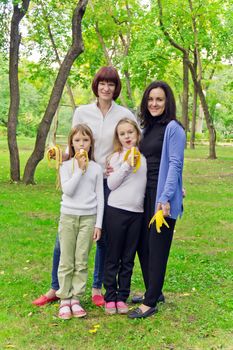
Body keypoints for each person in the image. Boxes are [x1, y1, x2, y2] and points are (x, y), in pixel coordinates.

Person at [32, 66, 136, 307]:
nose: (106, 88)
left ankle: (96, 287)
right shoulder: (82, 111)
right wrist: (61, 157)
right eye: (102, 83)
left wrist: (116, 161)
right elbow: (74, 141)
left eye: (111, 84)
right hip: (81, 175)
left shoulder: (124, 113)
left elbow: (129, 141)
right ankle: (56, 288)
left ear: (116, 87)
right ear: (96, 85)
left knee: (101, 236)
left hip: (108, 182)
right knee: (64, 239)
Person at [128, 81, 186, 319]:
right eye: (150, 99)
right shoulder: (147, 127)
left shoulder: (174, 128)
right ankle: (155, 290)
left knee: (158, 248)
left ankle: (150, 302)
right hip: (144, 193)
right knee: (144, 245)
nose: (154, 103)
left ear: (167, 102)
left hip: (162, 199)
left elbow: (175, 164)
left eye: (159, 99)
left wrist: (166, 196)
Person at [55, 124, 104, 319]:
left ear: (91, 143)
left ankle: (76, 298)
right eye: (77, 140)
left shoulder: (97, 168)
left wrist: (98, 224)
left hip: (88, 218)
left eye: (85, 140)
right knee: (66, 260)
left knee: (81, 260)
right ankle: (64, 299)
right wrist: (79, 170)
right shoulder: (66, 166)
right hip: (68, 217)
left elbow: (100, 198)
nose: (81, 144)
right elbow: (68, 190)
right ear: (72, 143)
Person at [103, 118, 147, 315]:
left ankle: (122, 297)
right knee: (113, 256)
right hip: (116, 210)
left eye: (130, 132)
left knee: (128, 258)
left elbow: (153, 179)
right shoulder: (116, 158)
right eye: (123, 134)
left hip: (136, 213)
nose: (127, 136)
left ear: (137, 134)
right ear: (118, 138)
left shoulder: (144, 159)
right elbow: (111, 185)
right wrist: (126, 165)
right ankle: (110, 296)